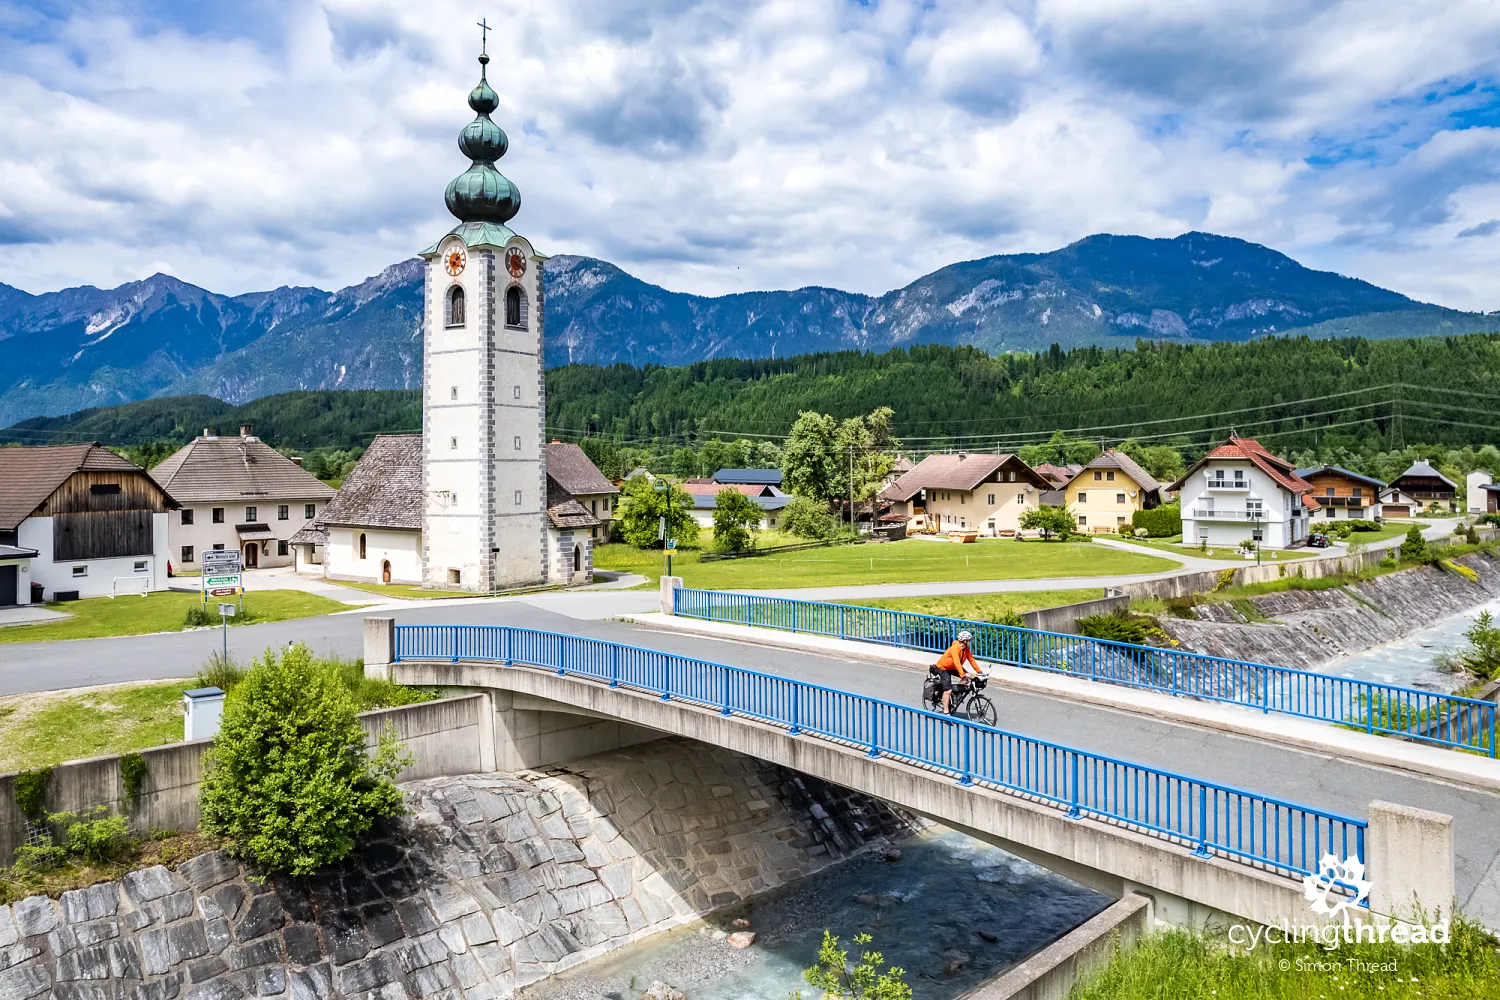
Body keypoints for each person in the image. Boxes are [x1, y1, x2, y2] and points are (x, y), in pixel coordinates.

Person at [932, 630, 981, 715]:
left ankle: (956, 694)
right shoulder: (955, 648)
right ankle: (946, 711)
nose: (970, 642)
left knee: (967, 679)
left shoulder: (966, 649)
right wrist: (963, 675)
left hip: (953, 667)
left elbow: (971, 660)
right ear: (964, 641)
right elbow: (957, 662)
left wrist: (979, 671)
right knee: (948, 690)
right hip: (943, 668)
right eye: (969, 640)